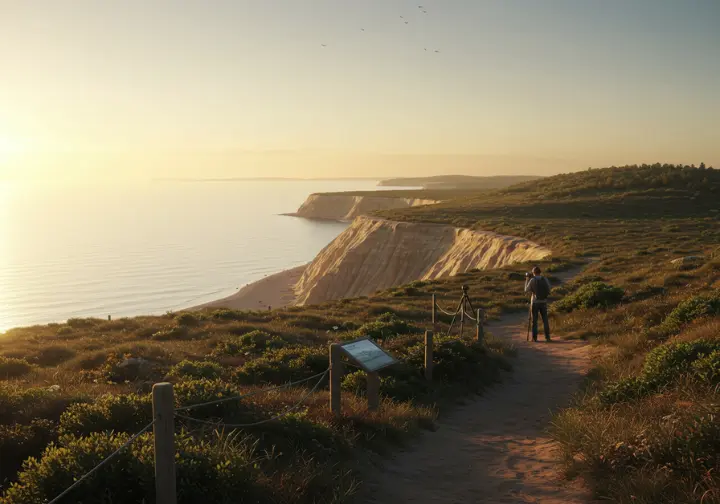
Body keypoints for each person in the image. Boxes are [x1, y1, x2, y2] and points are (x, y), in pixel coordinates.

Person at [525, 266, 552, 342]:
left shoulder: (532, 280)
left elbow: (526, 290)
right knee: (545, 320)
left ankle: (534, 338)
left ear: (533, 273)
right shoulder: (545, 279)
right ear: (540, 272)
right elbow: (549, 289)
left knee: (534, 321)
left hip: (535, 302)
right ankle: (547, 337)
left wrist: (527, 280)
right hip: (543, 302)